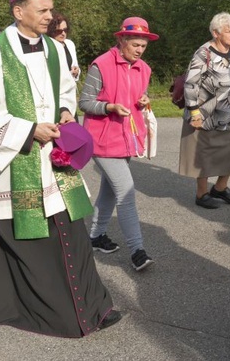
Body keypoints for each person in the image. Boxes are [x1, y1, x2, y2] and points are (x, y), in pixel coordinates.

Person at [0, 0, 119, 336]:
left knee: (73, 229)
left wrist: (63, 111)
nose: (50, 16)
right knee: (39, 239)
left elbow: (64, 89)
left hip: (52, 154)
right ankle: (59, 312)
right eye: (43, 10)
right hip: (16, 159)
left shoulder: (53, 48)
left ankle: (93, 306)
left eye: (50, 10)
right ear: (19, 11)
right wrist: (30, 131)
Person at [79, 16, 157, 271]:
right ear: (121, 39)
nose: (139, 50)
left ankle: (96, 236)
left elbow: (138, 96)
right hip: (102, 140)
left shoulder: (144, 68)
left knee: (110, 191)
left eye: (143, 46)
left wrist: (143, 101)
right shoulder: (101, 64)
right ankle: (138, 251)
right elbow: (85, 102)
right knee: (125, 191)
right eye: (135, 44)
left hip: (128, 138)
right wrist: (108, 107)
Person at [178, 12, 230, 209]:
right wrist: (194, 113)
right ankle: (202, 194)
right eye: (228, 31)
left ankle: (220, 188)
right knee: (204, 155)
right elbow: (190, 84)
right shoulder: (203, 54)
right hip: (205, 114)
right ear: (216, 33)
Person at [47, 11, 81, 80]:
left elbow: (75, 65)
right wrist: (69, 74)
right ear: (52, 31)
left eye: (65, 30)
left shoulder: (70, 44)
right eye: (59, 31)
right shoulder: (47, 47)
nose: (63, 33)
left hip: (71, 88)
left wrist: (77, 71)